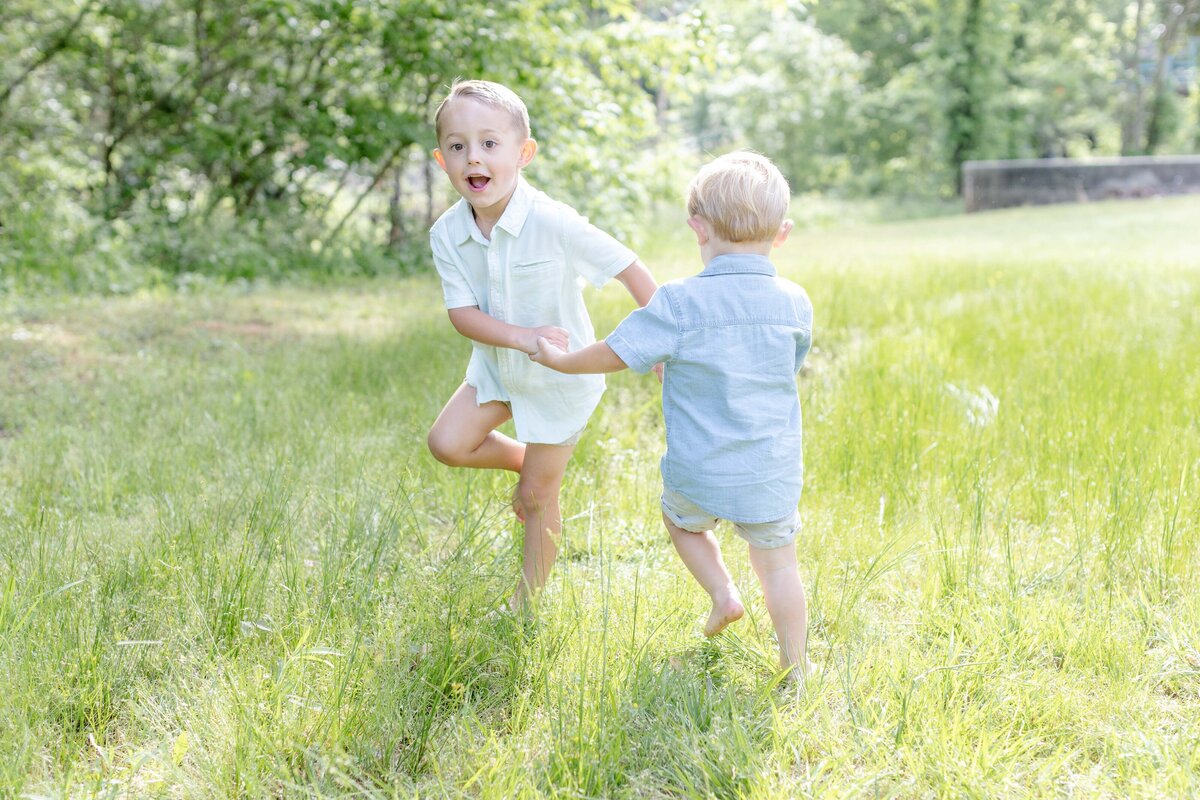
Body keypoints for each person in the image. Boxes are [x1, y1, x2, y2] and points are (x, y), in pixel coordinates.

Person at [530, 151, 816, 679]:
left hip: (699, 470)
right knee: (778, 566)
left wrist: (564, 360)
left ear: (698, 228)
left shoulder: (679, 303)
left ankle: (723, 592)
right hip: (770, 473)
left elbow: (616, 350)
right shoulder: (795, 302)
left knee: (681, 522)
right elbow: (790, 366)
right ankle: (796, 667)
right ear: (782, 234)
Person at [425, 79, 659, 613]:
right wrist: (521, 338)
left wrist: (658, 344)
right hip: (498, 371)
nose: (473, 157)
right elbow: (462, 315)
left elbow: (629, 267)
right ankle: (527, 461)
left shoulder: (552, 222)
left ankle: (525, 606)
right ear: (442, 161)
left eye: (489, 143)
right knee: (447, 444)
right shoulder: (447, 233)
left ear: (523, 154)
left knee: (535, 499)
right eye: (458, 147)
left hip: (559, 379)